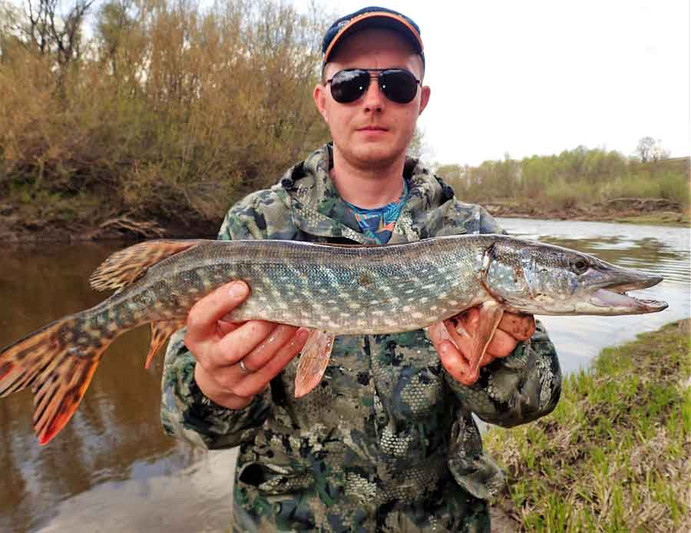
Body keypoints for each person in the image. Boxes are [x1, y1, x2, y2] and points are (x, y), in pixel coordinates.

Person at [161, 7, 561, 531]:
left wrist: (494, 365)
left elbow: (533, 398)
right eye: (349, 83)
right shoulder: (255, 226)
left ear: (420, 100)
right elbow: (186, 424)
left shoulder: (468, 233)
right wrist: (213, 387)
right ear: (323, 100)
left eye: (396, 83)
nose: (373, 100)